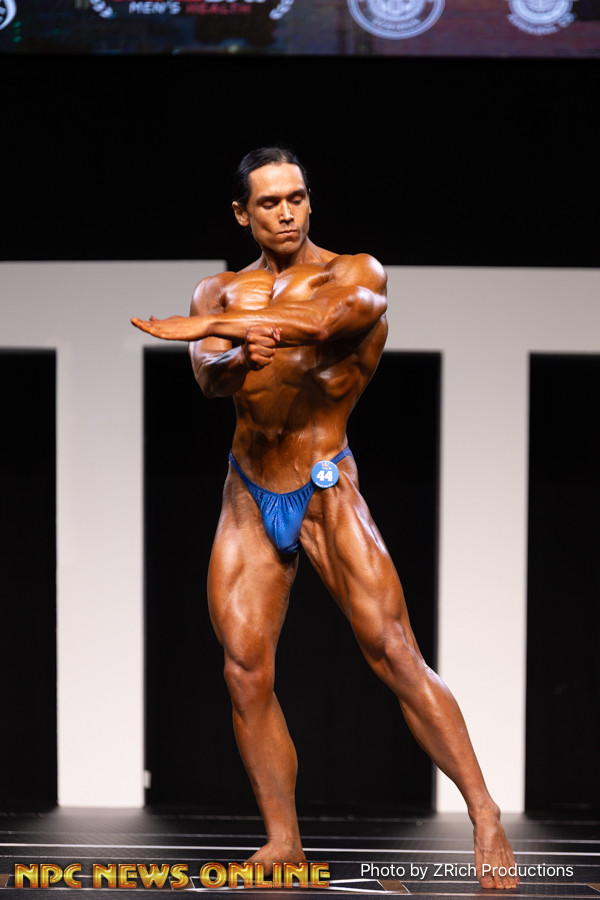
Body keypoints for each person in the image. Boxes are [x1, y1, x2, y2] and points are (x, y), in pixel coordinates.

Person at [131, 146, 519, 890]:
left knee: (394, 653)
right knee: (244, 672)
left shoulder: (355, 270)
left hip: (324, 485)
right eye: (269, 203)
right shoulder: (217, 289)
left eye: (297, 198)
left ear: (310, 201)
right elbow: (210, 378)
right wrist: (236, 351)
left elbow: (330, 319)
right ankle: (284, 841)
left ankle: (485, 812)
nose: (287, 213)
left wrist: (232, 327)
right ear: (242, 214)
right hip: (248, 490)